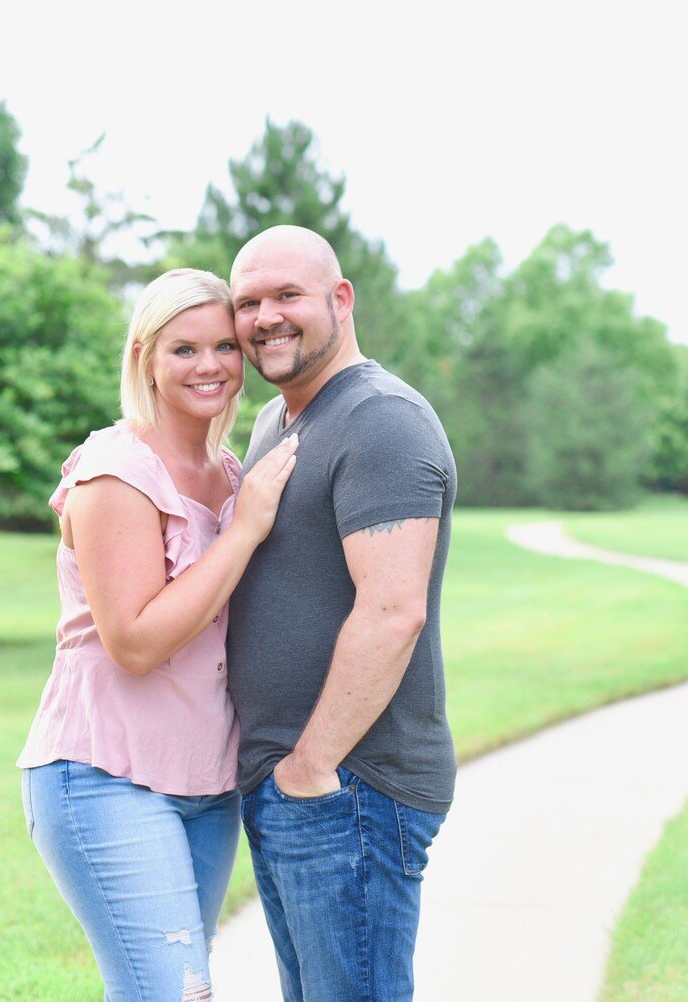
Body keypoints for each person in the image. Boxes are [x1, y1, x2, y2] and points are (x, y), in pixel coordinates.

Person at [16, 268, 298, 1001]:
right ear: (145, 356)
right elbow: (135, 642)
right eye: (183, 349)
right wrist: (243, 533)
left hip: (207, 781)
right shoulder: (117, 472)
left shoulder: (232, 472)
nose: (209, 366)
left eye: (223, 348)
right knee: (170, 993)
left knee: (170, 988)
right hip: (105, 772)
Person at [226, 226, 457, 1001]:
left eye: (287, 295)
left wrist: (312, 766)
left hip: (350, 785)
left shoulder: (380, 419)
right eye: (247, 301)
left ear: (340, 298)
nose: (265, 317)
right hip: (289, 785)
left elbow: (394, 613)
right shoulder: (276, 422)